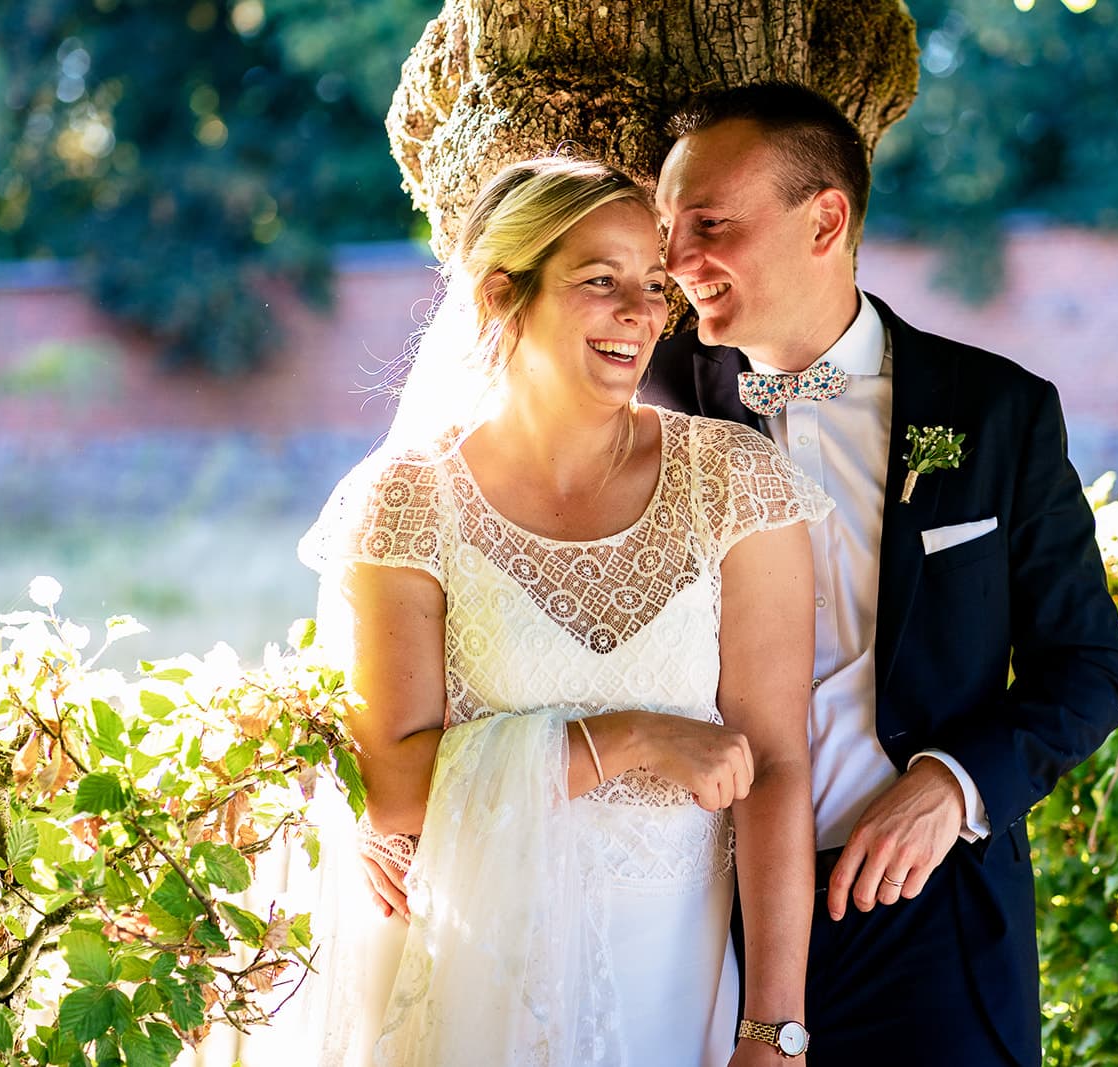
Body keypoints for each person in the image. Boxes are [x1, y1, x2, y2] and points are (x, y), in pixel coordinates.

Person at [296, 156, 831, 1066]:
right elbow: (391, 782)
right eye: (601, 280)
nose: (643, 312)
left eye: (656, 286)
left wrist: (773, 1031)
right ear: (505, 294)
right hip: (472, 976)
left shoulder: (734, 482)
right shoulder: (409, 497)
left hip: (674, 975)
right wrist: (630, 737)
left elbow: (776, 765)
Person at [645, 84, 1118, 1065]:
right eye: (666, 228)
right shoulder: (644, 411)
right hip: (689, 921)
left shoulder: (997, 411)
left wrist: (954, 784)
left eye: (708, 224)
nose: (673, 262)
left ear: (824, 218)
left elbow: (1085, 667)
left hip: (933, 922)